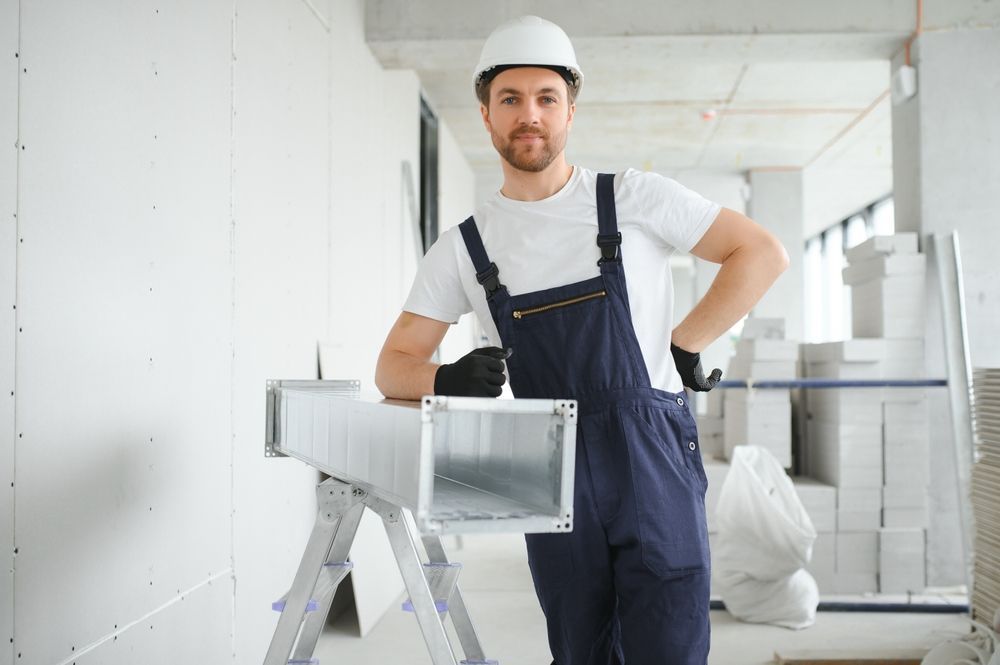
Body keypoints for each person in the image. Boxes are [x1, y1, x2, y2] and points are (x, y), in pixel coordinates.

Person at [375, 15, 788, 665]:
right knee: (578, 646)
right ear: (485, 113)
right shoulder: (463, 248)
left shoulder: (632, 198)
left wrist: (686, 340)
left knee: (669, 643)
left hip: (649, 457)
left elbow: (760, 253)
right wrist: (445, 377)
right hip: (549, 467)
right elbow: (391, 368)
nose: (529, 114)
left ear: (570, 110)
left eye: (546, 98)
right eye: (510, 99)